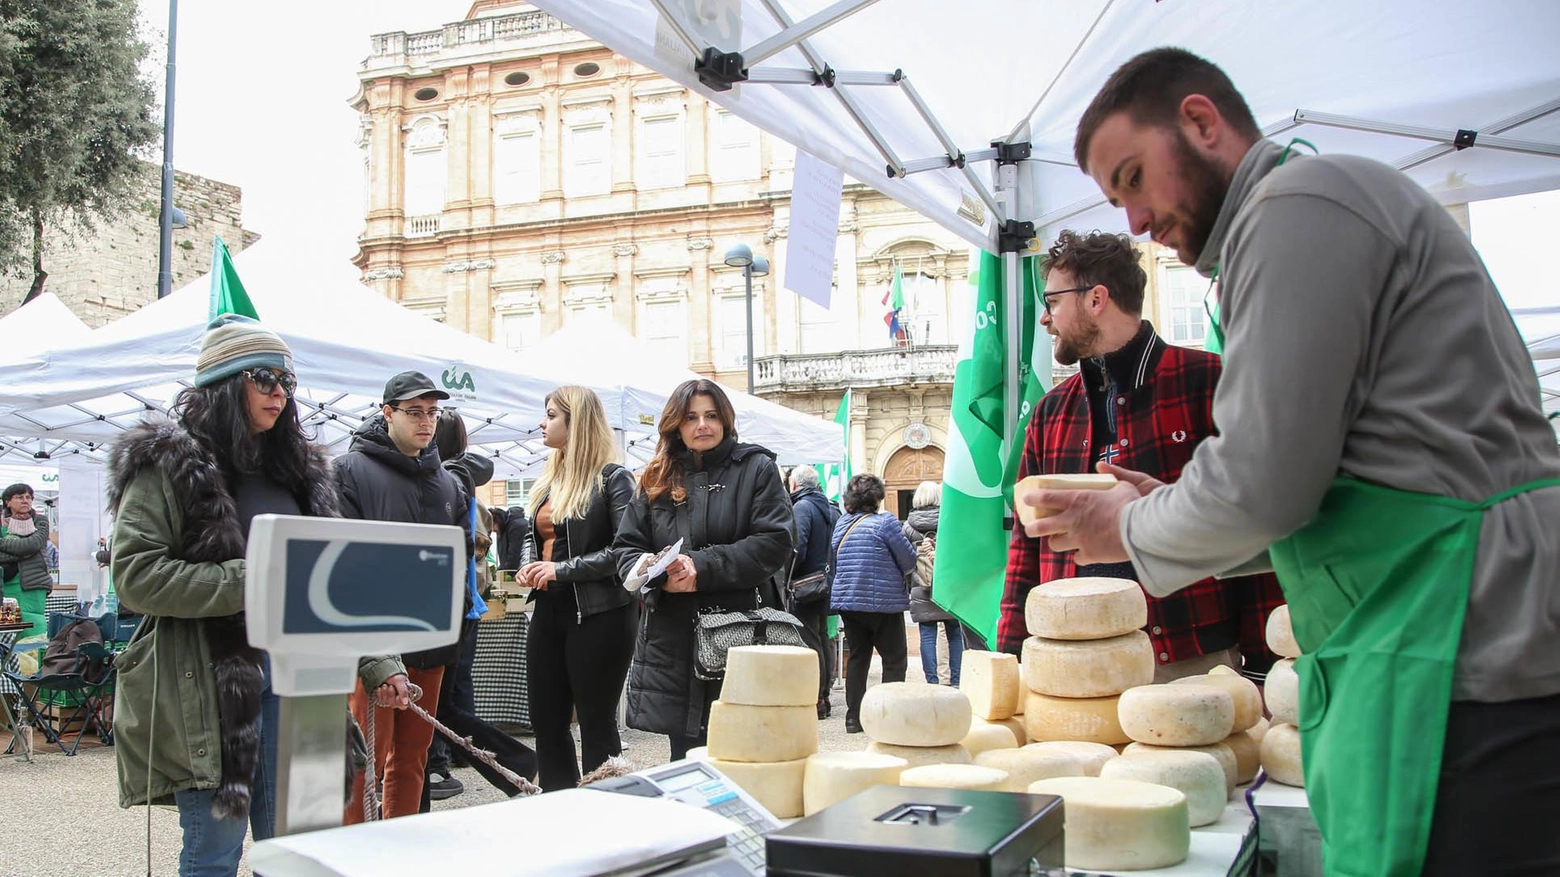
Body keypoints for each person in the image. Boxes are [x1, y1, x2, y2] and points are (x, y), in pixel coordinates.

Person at [1026, 48, 1560, 876]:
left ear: (1201, 123)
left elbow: (1264, 484)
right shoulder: (1294, 217)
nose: (1134, 223)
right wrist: (1166, 506)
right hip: (1439, 635)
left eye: (1135, 178)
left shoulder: (1294, 208)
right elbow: (1312, 487)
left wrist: (1129, 522)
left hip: (1468, 637)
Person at [106, 315, 409, 877]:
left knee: (300, 851)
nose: (280, 392)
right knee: (214, 852)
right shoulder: (167, 464)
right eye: (265, 377)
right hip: (212, 686)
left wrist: (378, 662)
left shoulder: (303, 470)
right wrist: (261, 577)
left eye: (287, 381)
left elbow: (333, 584)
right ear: (224, 384)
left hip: (305, 683)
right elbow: (136, 576)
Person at [999, 229, 1284, 681]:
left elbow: (1254, 519)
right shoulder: (1050, 412)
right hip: (1072, 664)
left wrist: (1266, 665)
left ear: (1096, 299)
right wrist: (1010, 662)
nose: (1045, 319)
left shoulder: (1211, 383)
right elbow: (1024, 548)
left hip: (1190, 659)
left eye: (1052, 302)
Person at [615, 378, 793, 760]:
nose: (702, 426)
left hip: (743, 632)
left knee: (748, 757)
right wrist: (650, 568)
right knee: (687, 758)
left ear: (725, 420)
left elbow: (775, 541)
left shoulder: (756, 468)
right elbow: (626, 546)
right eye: (691, 417)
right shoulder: (656, 476)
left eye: (711, 416)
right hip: (675, 638)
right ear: (675, 424)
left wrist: (701, 566)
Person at [335, 371, 469, 822]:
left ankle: (399, 853)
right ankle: (349, 857)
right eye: (414, 412)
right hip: (373, 640)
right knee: (365, 760)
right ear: (387, 412)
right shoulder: (350, 471)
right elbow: (344, 566)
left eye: (432, 412)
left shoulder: (448, 484)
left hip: (432, 642)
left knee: (413, 759)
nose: (426, 421)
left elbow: (458, 563)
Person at [518, 386, 637, 790]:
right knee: (546, 720)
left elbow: (625, 552)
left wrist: (560, 570)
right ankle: (559, 811)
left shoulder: (613, 478)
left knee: (595, 722)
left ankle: (606, 811)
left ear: (576, 422)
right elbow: (530, 539)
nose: (542, 422)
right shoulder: (550, 480)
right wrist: (527, 568)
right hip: (550, 611)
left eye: (550, 414)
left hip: (601, 613)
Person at [420, 410, 539, 806]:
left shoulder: (448, 482)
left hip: (451, 607)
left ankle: (509, 759)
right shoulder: (464, 481)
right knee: (448, 697)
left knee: (439, 701)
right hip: (465, 605)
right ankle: (497, 759)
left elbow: (471, 548)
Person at [828, 474, 916, 734]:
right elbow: (908, 561)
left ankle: (853, 719)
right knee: (894, 660)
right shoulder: (886, 522)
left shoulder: (842, 523)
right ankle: (889, 717)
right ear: (877, 498)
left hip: (849, 602)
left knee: (858, 658)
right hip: (883, 604)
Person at [787, 465, 839, 718]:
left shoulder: (802, 508)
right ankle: (824, 695)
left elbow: (798, 548)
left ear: (795, 485)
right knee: (821, 639)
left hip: (806, 585)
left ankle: (816, 698)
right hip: (825, 583)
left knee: (810, 642)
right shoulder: (828, 507)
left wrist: (788, 575)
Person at [904, 480, 962, 686]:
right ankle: (956, 681)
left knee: (927, 634)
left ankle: (932, 682)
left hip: (921, 588)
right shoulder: (950, 521)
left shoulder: (908, 526)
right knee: (955, 632)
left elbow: (905, 560)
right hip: (948, 587)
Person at [0, 484, 51, 639]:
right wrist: (25, 552)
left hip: (32, 583)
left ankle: (35, 663)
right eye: (19, 497)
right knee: (9, 630)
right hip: (6, 586)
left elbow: (33, 544)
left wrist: (2, 544)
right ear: (7, 502)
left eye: (28, 497)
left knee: (34, 629)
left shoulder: (40, 520)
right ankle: (12, 662)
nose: (25, 500)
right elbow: (27, 549)